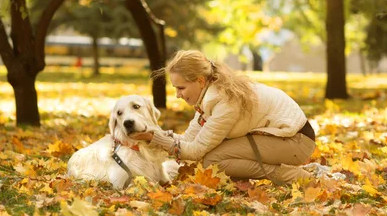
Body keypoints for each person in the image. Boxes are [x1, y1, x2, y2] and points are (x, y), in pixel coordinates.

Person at [133, 50, 316, 184]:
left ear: (200, 81)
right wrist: (153, 135)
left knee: (212, 161)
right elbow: (188, 140)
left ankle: (295, 177)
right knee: (212, 158)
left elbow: (195, 151)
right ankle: (252, 180)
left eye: (181, 88)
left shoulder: (224, 101)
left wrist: (154, 138)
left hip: (297, 141)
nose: (177, 95)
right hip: (281, 137)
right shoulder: (208, 98)